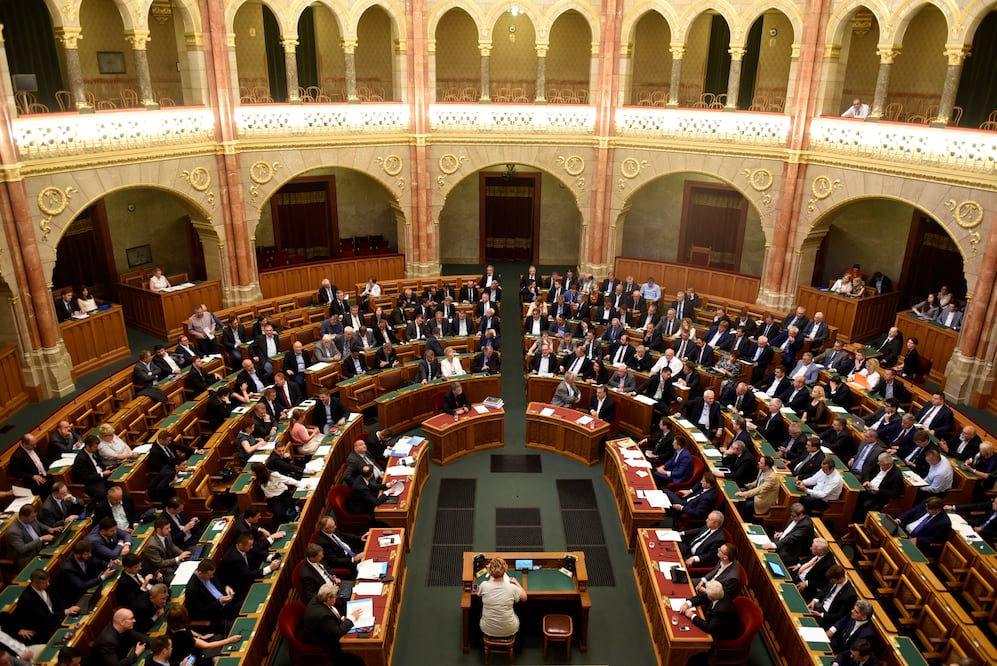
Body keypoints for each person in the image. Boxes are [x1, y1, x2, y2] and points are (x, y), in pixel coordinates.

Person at [302, 583, 364, 665]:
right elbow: (338, 632)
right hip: (322, 640)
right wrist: (352, 619)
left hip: (324, 627)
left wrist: (342, 618)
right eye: (335, 597)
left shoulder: (319, 597)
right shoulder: (323, 615)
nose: (336, 598)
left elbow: (333, 610)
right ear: (328, 599)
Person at [166, 605, 241, 666]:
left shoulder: (171, 627)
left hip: (194, 651)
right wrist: (230, 640)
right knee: (218, 659)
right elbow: (207, 645)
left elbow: (188, 629)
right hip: (193, 660)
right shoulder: (183, 636)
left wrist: (200, 636)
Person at [478, 558, 526, 641]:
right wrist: (516, 582)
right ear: (504, 571)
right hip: (509, 629)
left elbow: (478, 594)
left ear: (490, 572)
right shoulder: (512, 588)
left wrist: (490, 580)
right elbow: (524, 598)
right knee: (517, 608)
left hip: (487, 629)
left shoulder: (484, 585)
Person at [7, 504, 58, 570]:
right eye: (32, 517)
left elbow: (39, 525)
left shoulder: (31, 520)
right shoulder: (13, 532)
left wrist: (49, 529)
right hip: (27, 557)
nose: (35, 519)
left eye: (35, 516)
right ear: (23, 516)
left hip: (40, 548)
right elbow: (22, 549)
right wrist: (41, 539)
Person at [142, 517, 190, 585]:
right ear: (159, 530)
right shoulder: (152, 545)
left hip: (171, 563)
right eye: (167, 528)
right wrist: (178, 558)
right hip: (161, 570)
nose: (170, 530)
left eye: (169, 527)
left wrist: (182, 553)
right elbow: (160, 563)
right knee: (179, 581)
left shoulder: (167, 534)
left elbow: (172, 546)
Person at [808, 565, 857, 629]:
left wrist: (821, 615)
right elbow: (824, 591)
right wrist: (815, 600)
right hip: (819, 606)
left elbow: (839, 615)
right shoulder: (833, 580)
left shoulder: (850, 595)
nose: (831, 582)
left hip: (827, 617)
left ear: (841, 579)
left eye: (833, 581)